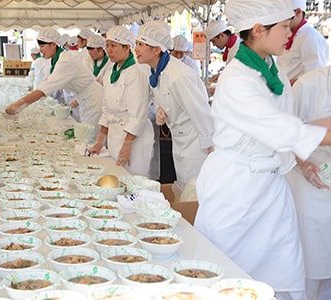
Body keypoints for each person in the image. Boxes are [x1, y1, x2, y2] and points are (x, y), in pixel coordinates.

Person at [193, 0, 331, 299]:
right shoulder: (237, 79)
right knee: (228, 279)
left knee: (281, 277)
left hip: (270, 190)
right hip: (236, 189)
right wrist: (322, 135)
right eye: (283, 27)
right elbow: (281, 128)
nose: (288, 34)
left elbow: (283, 126)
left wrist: (301, 161)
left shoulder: (273, 70)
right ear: (258, 29)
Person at [134, 20, 214, 189]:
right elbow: (162, 97)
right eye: (136, 43)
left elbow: (200, 111)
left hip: (195, 143)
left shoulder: (179, 75)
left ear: (156, 50)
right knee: (184, 186)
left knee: (195, 189)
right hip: (179, 139)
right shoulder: (156, 70)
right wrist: (160, 110)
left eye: (141, 44)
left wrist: (210, 147)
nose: (136, 49)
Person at [285, 66, 331, 300]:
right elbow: (286, 134)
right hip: (308, 180)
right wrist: (304, 164)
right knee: (312, 261)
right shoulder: (310, 85)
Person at [88, 26, 154, 177]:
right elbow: (106, 110)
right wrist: (99, 142)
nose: (109, 50)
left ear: (127, 48)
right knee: (116, 176)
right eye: (107, 46)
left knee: (133, 179)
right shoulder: (111, 72)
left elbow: (138, 116)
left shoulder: (137, 72)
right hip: (115, 134)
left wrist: (127, 146)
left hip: (134, 140)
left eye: (113, 46)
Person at [5, 27, 103, 127]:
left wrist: (17, 105)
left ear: (53, 44)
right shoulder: (56, 60)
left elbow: (45, 88)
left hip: (93, 99)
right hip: (84, 98)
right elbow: (46, 82)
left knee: (90, 135)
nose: (40, 50)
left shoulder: (66, 60)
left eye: (42, 46)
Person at [276, 0, 329, 86]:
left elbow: (314, 77)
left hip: (298, 95)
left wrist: (286, 84)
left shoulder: (311, 37)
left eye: (285, 16)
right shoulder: (288, 33)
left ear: (298, 12)